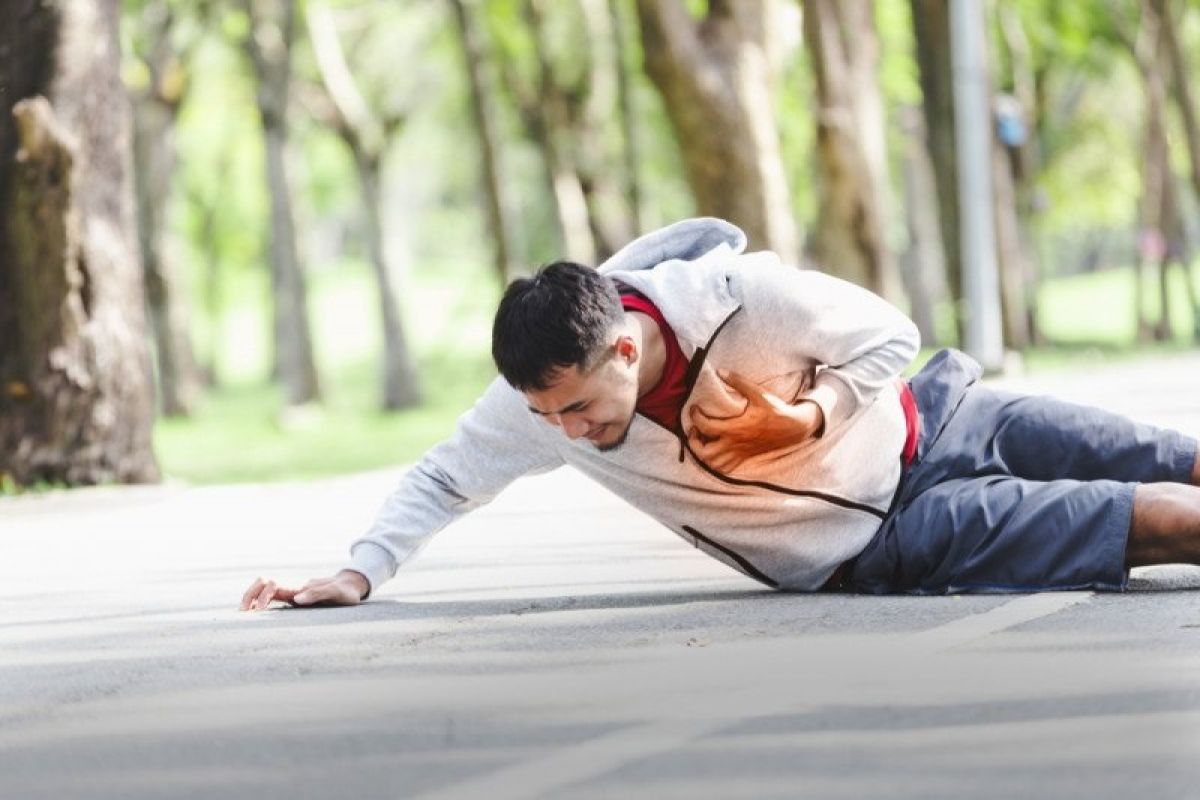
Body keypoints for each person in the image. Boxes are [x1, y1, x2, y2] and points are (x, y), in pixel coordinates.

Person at [240, 217, 1200, 611]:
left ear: (623, 346)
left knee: (1173, 455)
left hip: (940, 417)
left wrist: (811, 418)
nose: (564, 432)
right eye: (547, 417)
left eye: (576, 408)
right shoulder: (538, 404)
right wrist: (356, 574)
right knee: (1163, 520)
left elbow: (889, 334)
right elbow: (442, 477)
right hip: (885, 537)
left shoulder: (742, 297)